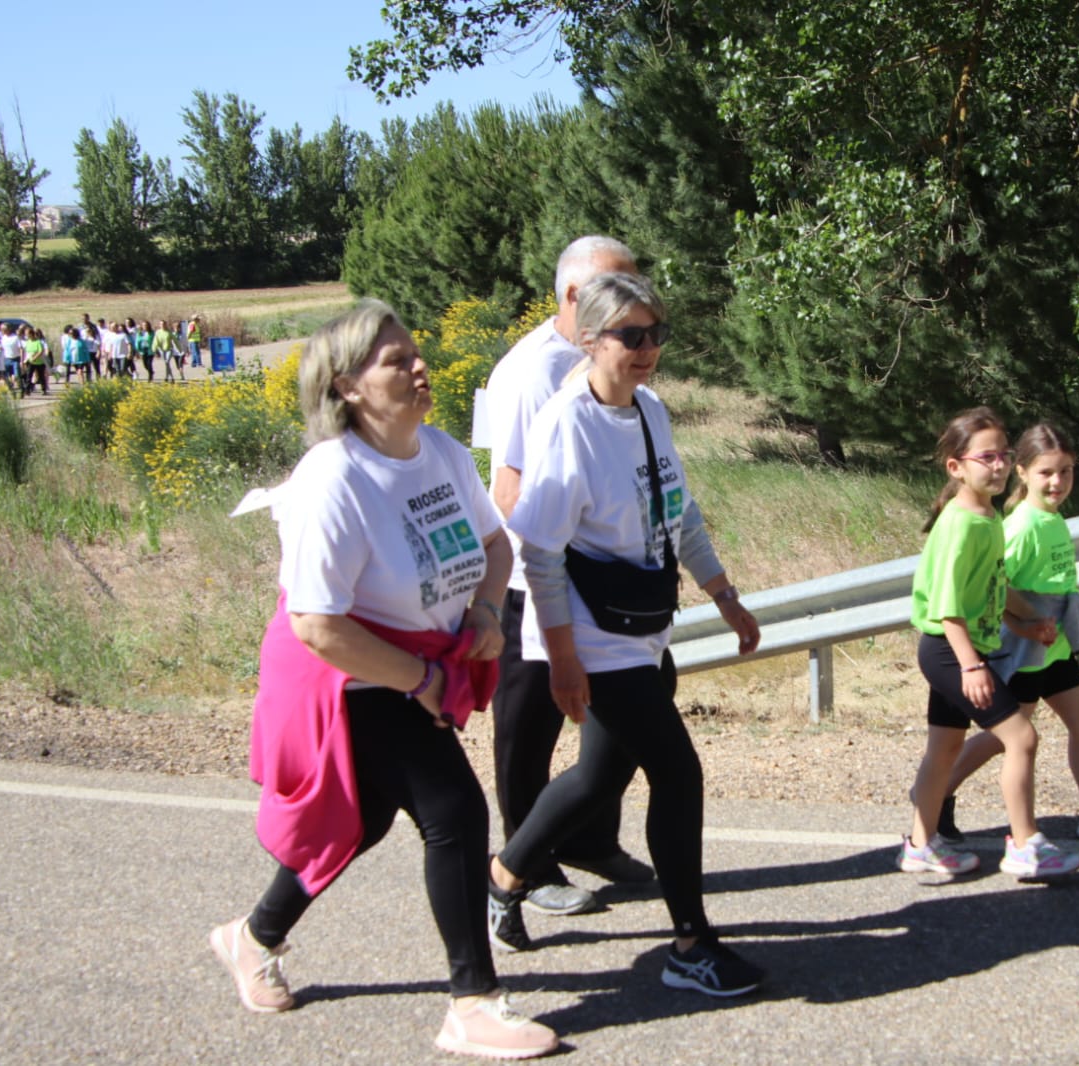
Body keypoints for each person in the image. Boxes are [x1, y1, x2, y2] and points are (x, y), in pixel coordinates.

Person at [209, 299, 558, 1060]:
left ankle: (253, 934)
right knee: (454, 811)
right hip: (344, 674)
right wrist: (418, 678)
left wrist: (489, 611)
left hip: (415, 663)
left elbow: (494, 547)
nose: (419, 366)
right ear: (346, 387)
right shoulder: (330, 479)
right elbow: (317, 625)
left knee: (360, 820)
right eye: (396, 360)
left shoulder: (437, 451)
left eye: (415, 352)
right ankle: (472, 1003)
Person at [487, 272, 767, 997]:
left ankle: (502, 875)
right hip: (589, 631)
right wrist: (564, 659)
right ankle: (689, 945)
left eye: (656, 335)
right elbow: (539, 552)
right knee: (678, 772)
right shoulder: (563, 425)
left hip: (640, 623)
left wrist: (724, 596)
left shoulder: (648, 409)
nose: (647, 351)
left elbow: (679, 509)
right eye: (631, 336)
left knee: (599, 776)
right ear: (589, 338)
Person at [476, 235, 652, 928]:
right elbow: (510, 487)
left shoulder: (602, 350)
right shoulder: (530, 371)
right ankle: (529, 863)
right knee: (529, 727)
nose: (635, 308)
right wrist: (559, 566)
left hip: (607, 582)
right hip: (538, 580)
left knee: (612, 725)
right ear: (574, 298)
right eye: (620, 291)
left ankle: (589, 841)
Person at [931, 424, 1079, 843]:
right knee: (1009, 737)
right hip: (1026, 650)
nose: (1057, 482)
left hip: (1055, 647)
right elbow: (997, 586)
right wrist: (1027, 623)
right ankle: (936, 794)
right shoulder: (1022, 526)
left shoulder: (1052, 519)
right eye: (1046, 473)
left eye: (1066, 471)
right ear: (1023, 472)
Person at [902, 407, 1079, 880]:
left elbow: (988, 589)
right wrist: (971, 665)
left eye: (1003, 455)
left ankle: (920, 844)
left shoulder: (986, 517)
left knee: (943, 750)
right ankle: (1025, 846)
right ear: (956, 466)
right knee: (1021, 737)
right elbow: (947, 607)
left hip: (956, 649)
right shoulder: (962, 524)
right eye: (987, 457)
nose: (999, 465)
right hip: (949, 650)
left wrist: (1023, 627)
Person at [21, 327, 50, 396]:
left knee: (41, 376)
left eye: (27, 334)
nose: (26, 336)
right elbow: (27, 352)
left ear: (31, 334)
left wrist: (35, 357)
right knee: (29, 376)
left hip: (39, 362)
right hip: (31, 362)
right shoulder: (28, 342)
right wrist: (25, 360)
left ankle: (44, 389)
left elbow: (40, 351)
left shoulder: (38, 342)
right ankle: (27, 390)